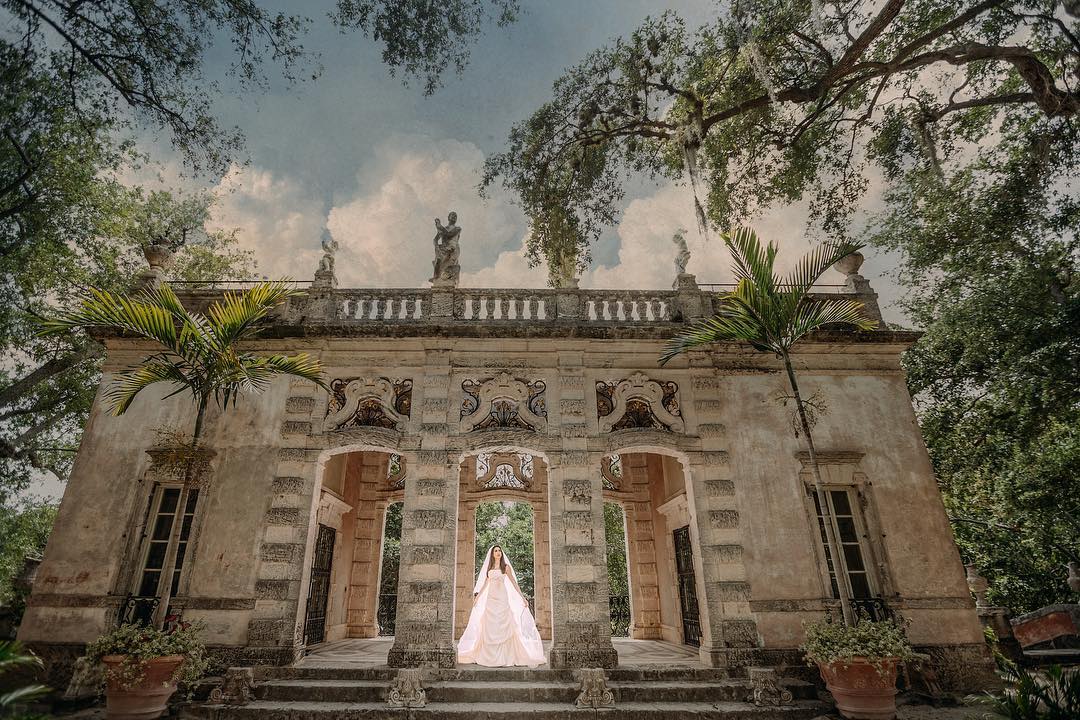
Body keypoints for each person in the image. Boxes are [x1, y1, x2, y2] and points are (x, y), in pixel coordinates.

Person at [457, 545, 546, 667]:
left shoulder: (505, 567)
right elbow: (485, 584)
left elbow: (514, 582)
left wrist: (522, 597)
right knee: (490, 624)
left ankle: (506, 655)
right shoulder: (490, 568)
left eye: (499, 551)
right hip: (491, 599)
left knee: (504, 623)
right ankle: (488, 655)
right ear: (492, 554)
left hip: (502, 598)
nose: (498, 552)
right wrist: (477, 597)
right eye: (496, 551)